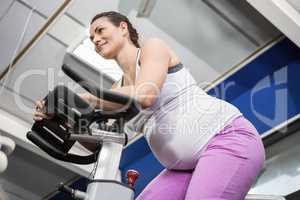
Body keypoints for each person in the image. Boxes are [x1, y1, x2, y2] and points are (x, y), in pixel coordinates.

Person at [33, 11, 265, 200]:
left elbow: (147, 95)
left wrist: (91, 99)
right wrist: (58, 117)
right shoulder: (117, 89)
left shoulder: (152, 48)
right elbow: (99, 142)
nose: (95, 39)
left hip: (227, 140)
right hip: (183, 167)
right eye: (91, 37)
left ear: (123, 27)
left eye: (100, 30)